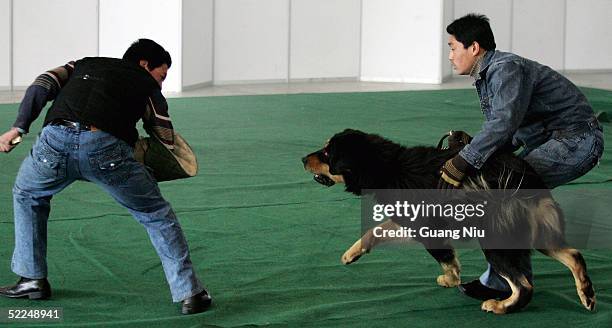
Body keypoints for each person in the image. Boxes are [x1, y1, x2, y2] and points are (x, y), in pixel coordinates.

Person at [0, 39, 211, 315]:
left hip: (54, 142)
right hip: (107, 150)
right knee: (156, 213)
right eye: (162, 75)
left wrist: (19, 126)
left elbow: (43, 83)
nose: (160, 83)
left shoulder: (82, 64)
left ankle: (31, 279)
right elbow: (164, 135)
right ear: (144, 64)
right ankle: (190, 293)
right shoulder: (145, 83)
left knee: (28, 194)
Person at [439, 14, 604, 300]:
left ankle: (506, 282)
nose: (450, 56)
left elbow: (503, 125)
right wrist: (478, 148)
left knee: (504, 193)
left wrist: (464, 160)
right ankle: (507, 278)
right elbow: (511, 130)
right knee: (506, 193)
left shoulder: (505, 69)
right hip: (555, 139)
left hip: (576, 141)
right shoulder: (492, 72)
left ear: (474, 48)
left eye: (453, 47)